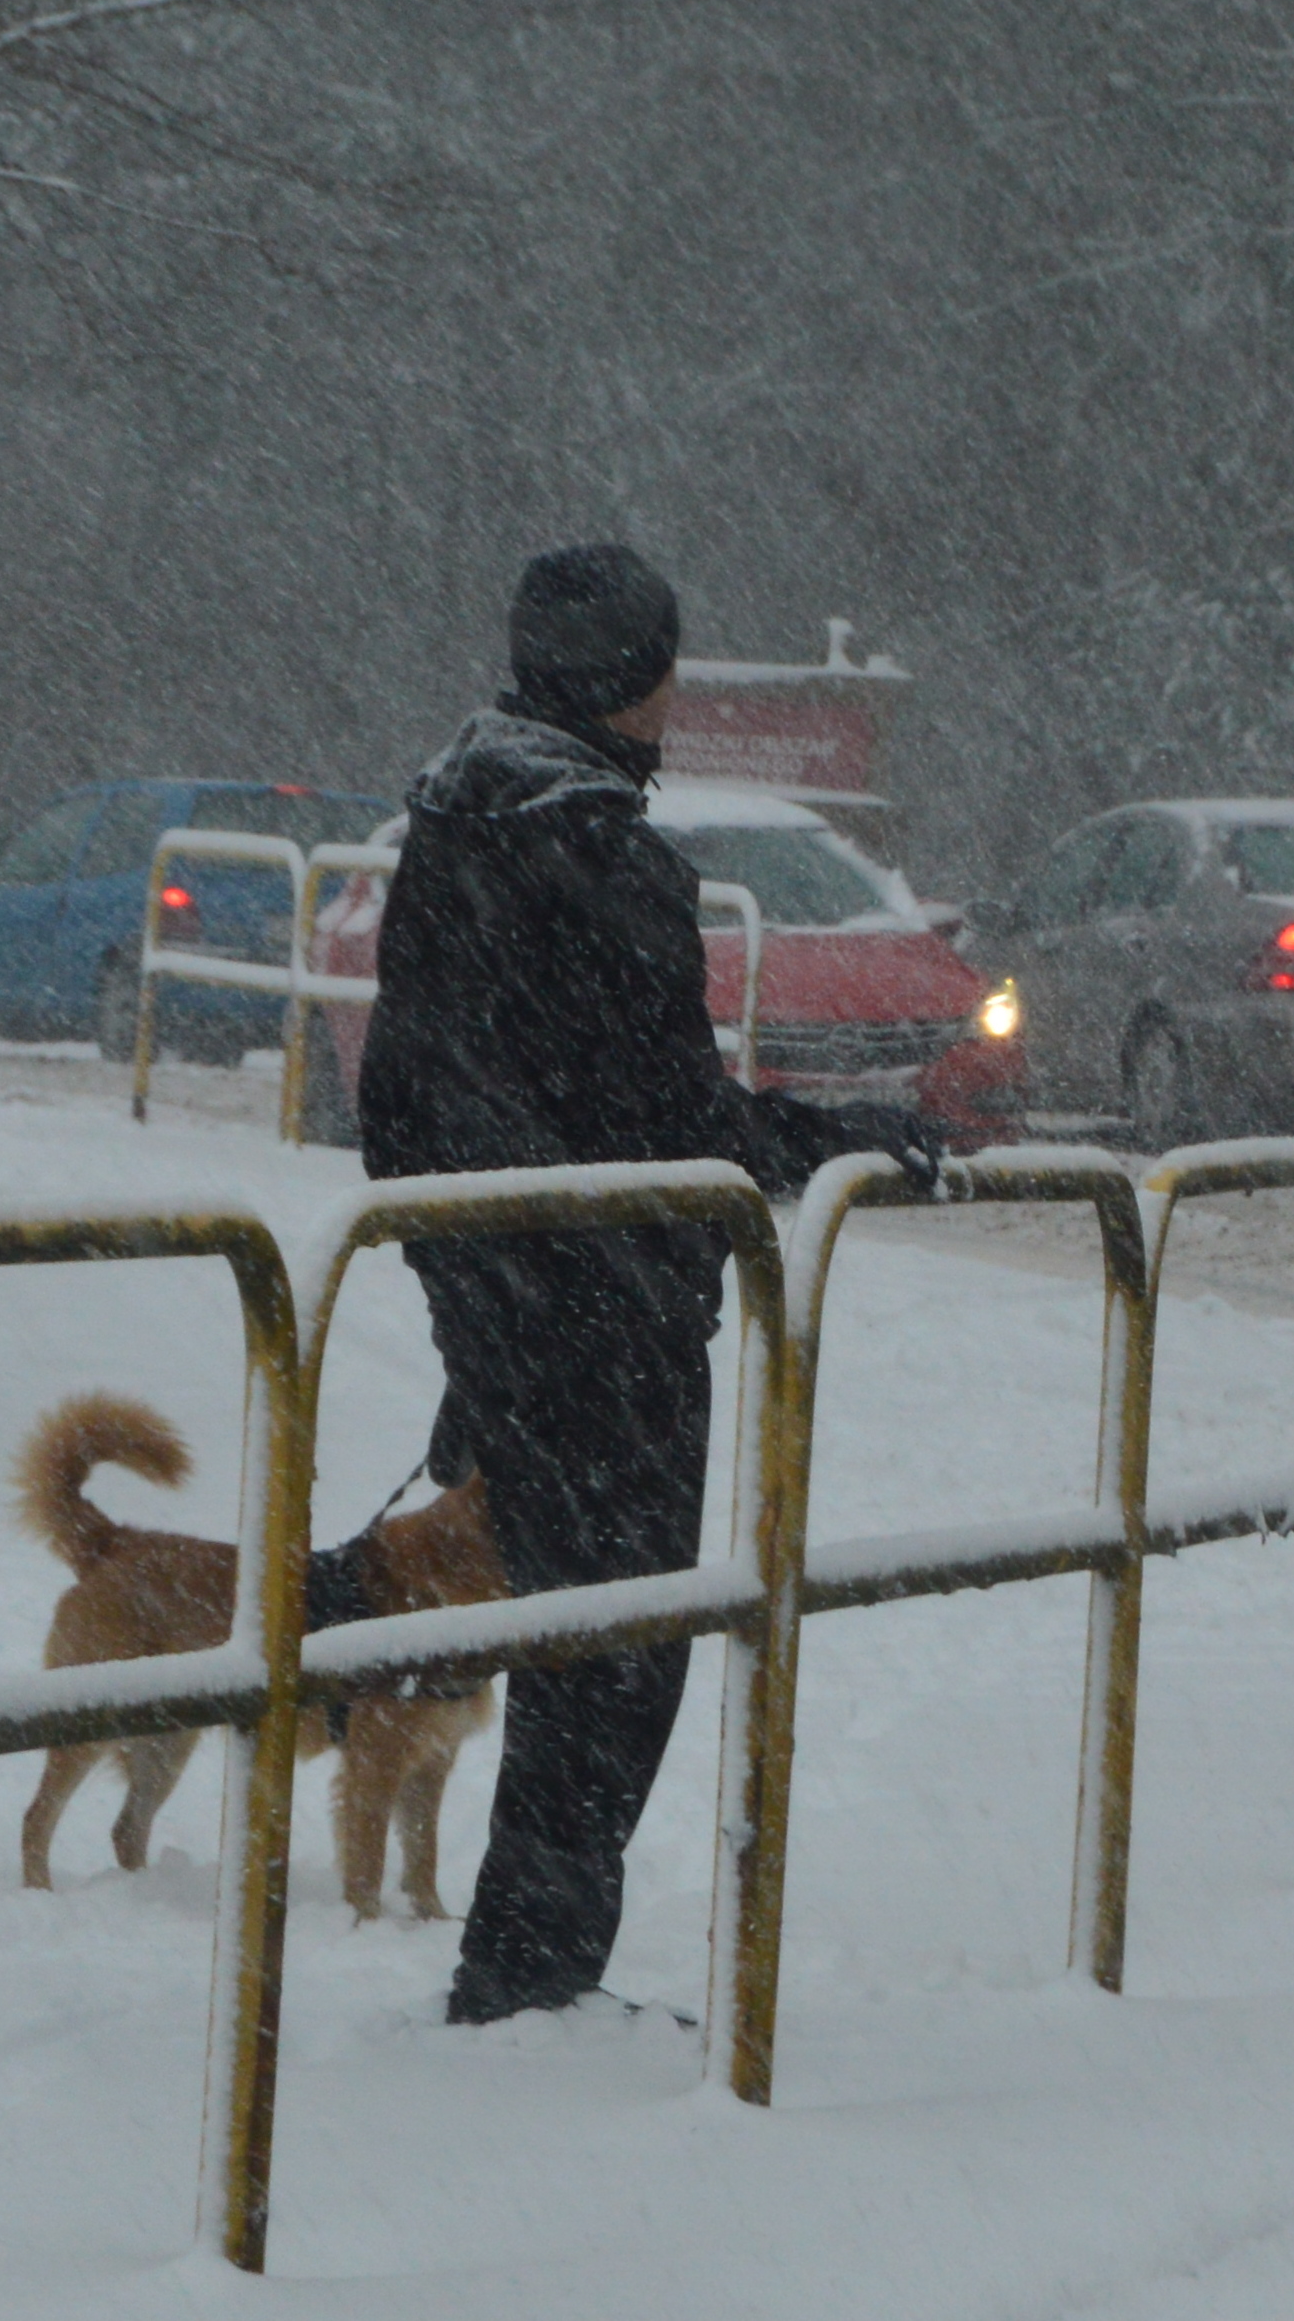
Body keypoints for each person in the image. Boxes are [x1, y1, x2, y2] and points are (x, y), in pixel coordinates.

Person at [346, 542, 933, 2024]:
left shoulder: (449, 832)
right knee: (613, 1671)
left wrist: (472, 1283)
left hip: (498, 1307)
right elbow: (682, 1129)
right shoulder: (604, 862)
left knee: (558, 1643)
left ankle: (519, 1981)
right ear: (643, 679)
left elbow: (408, 1105)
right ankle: (528, 1988)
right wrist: (842, 1137)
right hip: (610, 1330)